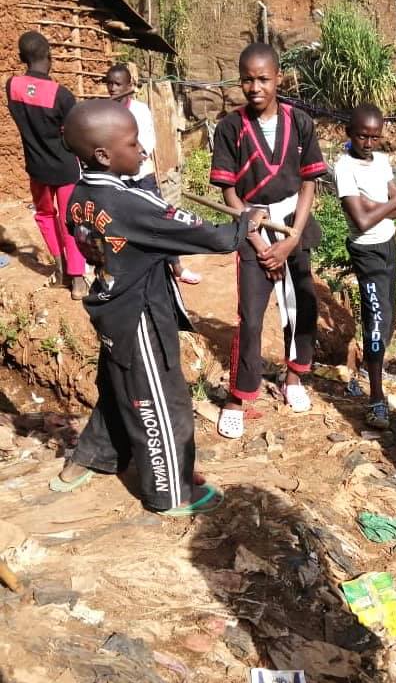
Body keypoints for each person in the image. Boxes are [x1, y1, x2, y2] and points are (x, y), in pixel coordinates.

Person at [52, 99, 262, 513]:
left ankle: (86, 461)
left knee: (121, 387)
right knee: (164, 404)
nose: (143, 150)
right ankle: (169, 492)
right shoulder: (132, 204)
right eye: (133, 143)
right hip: (140, 317)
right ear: (104, 155)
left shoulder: (79, 196)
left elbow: (86, 241)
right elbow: (209, 236)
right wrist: (245, 222)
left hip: (112, 306)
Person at [209, 43, 327, 436]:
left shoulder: (301, 122)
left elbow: (309, 182)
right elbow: (229, 192)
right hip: (251, 224)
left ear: (279, 78)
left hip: (294, 222)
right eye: (247, 79)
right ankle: (239, 395)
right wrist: (259, 243)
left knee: (302, 304)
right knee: (251, 316)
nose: (254, 86)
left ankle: (294, 377)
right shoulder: (230, 127)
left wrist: (291, 240)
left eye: (263, 78)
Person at [334, 104, 396, 429]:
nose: (369, 142)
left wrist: (377, 205)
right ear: (349, 132)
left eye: (375, 137)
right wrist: (386, 205)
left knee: (389, 319)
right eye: (363, 135)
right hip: (366, 252)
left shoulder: (382, 162)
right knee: (377, 321)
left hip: (389, 246)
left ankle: (370, 364)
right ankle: (376, 399)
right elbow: (361, 221)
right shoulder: (343, 167)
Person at [6, 31, 87, 299]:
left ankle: (60, 267)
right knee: (70, 220)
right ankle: (77, 280)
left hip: (36, 168)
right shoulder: (61, 95)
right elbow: (73, 134)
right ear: (50, 56)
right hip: (64, 169)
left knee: (44, 215)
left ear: (21, 58)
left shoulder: (12, 87)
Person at [105, 63, 201, 286]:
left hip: (143, 178)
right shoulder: (106, 111)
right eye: (109, 84)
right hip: (119, 181)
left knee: (160, 221)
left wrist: (122, 129)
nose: (112, 89)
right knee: (120, 226)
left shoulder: (140, 111)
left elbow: (145, 147)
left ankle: (177, 267)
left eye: (117, 84)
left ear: (130, 86)